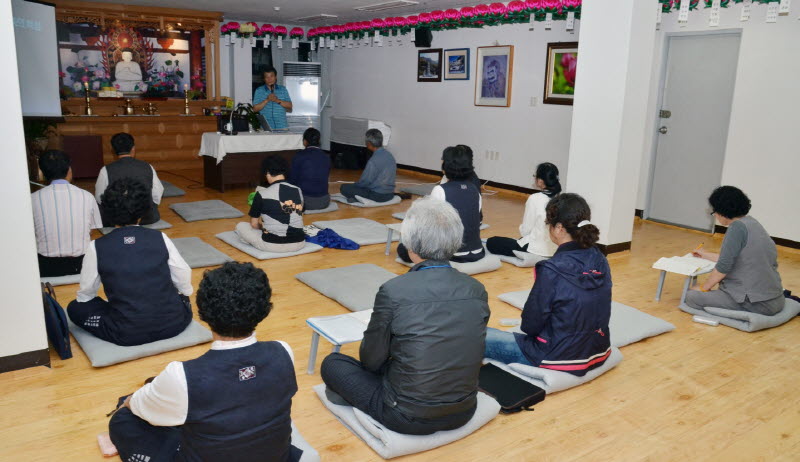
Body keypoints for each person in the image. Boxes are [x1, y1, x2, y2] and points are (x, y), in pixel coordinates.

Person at [321, 197, 490, 435]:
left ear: (410, 246)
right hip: (464, 410)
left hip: (405, 416)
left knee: (333, 363)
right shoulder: (477, 289)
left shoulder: (394, 291)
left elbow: (370, 361)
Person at [107, 262, 303, 462]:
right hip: (275, 456)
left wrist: (128, 401)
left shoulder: (181, 375)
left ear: (203, 310)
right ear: (263, 309)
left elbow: (138, 406)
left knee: (123, 419)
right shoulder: (283, 350)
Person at [484, 193, 612, 376]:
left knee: (473, 336)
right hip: (599, 350)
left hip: (554, 355)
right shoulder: (600, 257)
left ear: (559, 228)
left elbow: (529, 326)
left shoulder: (551, 269)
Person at [67, 178, 192, 346]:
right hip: (175, 323)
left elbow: (87, 293)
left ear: (108, 209)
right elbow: (183, 276)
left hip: (126, 333)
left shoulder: (97, 246)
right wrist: (183, 293)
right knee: (181, 298)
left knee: (75, 308)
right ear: (143, 210)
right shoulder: (160, 237)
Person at [685, 186, 784, 316]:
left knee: (691, 296)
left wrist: (704, 288)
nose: (715, 215)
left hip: (756, 304)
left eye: (714, 211)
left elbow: (724, 267)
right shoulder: (752, 223)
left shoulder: (736, 229)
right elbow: (736, 258)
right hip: (776, 299)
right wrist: (705, 254)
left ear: (722, 211)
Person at [398, 145, 484, 263]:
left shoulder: (440, 190)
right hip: (477, 251)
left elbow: (430, 224)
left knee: (404, 248)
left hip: (452, 253)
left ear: (446, 166)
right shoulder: (474, 189)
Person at [31, 150, 102, 277]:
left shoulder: (32, 199)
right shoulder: (87, 196)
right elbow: (92, 231)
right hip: (82, 266)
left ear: (41, 172)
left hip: (45, 268)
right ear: (69, 170)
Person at [486, 162, 561, 259]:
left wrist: (524, 237)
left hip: (535, 249)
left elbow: (526, 230)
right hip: (555, 249)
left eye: (535, 176)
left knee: (492, 242)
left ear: (540, 181)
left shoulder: (535, 198)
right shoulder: (562, 199)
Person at [235, 155, 305, 253]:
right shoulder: (298, 190)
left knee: (241, 226)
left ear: (267, 173)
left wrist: (262, 227)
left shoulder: (261, 194)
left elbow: (254, 224)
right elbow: (299, 213)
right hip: (299, 243)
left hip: (272, 245)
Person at [95, 132, 164, 226]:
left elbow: (99, 198)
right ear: (133, 148)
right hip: (146, 218)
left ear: (113, 150)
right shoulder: (147, 167)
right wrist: (148, 206)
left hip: (116, 219)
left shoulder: (105, 170)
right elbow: (157, 193)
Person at [339, 129, 396, 203]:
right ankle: (358, 198)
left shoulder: (373, 161)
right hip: (390, 194)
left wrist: (355, 185)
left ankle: (360, 199)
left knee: (344, 187)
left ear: (368, 143)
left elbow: (365, 182)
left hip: (377, 196)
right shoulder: (390, 155)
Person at [289, 128, 331, 210]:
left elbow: (292, 180)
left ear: (305, 141)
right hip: (324, 201)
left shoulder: (299, 156)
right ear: (319, 141)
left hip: (304, 202)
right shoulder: (326, 157)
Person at [253, 66, 293, 130]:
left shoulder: (283, 89)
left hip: (282, 127)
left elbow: (290, 106)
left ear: (276, 77)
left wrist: (277, 100)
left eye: (271, 76)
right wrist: (267, 100)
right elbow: (255, 109)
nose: (269, 79)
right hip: (265, 128)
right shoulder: (259, 90)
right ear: (264, 79)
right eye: (267, 77)